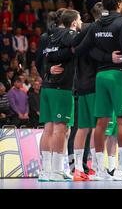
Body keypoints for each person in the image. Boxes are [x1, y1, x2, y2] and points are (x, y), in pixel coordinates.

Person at [74, 0, 122, 180]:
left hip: (101, 77)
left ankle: (100, 170)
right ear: (119, 4)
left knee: (101, 122)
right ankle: (121, 171)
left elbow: (83, 49)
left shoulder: (97, 25)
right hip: (119, 76)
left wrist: (105, 57)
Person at [39, 9, 82, 181]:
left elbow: (47, 56)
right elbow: (78, 42)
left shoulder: (50, 35)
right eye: (79, 20)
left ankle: (47, 170)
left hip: (48, 87)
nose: (81, 23)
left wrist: (47, 69)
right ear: (73, 23)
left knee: (51, 128)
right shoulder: (67, 33)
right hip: (61, 87)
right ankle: (55, 170)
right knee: (59, 128)